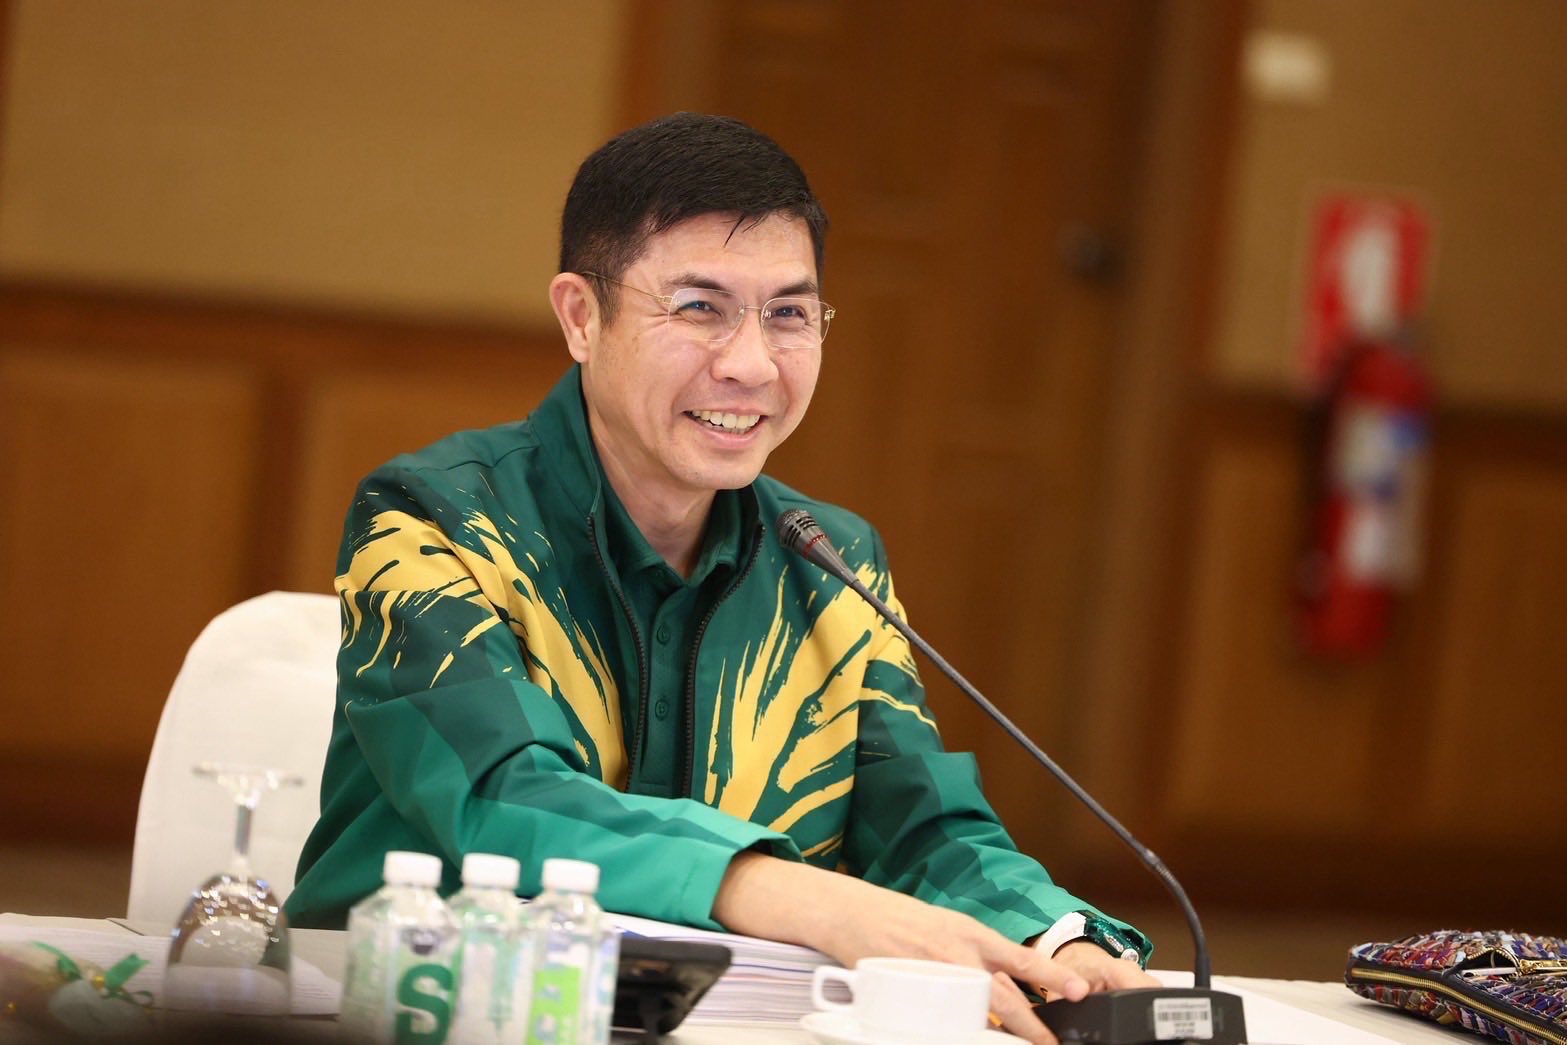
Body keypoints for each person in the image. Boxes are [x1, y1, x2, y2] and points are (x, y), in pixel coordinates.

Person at [286, 112, 1158, 1041]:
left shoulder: (831, 560)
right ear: (581, 317)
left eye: (788, 314)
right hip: (423, 1014)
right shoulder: (434, 521)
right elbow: (503, 796)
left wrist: (1053, 940)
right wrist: (795, 895)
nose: (750, 364)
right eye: (699, 307)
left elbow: (919, 828)